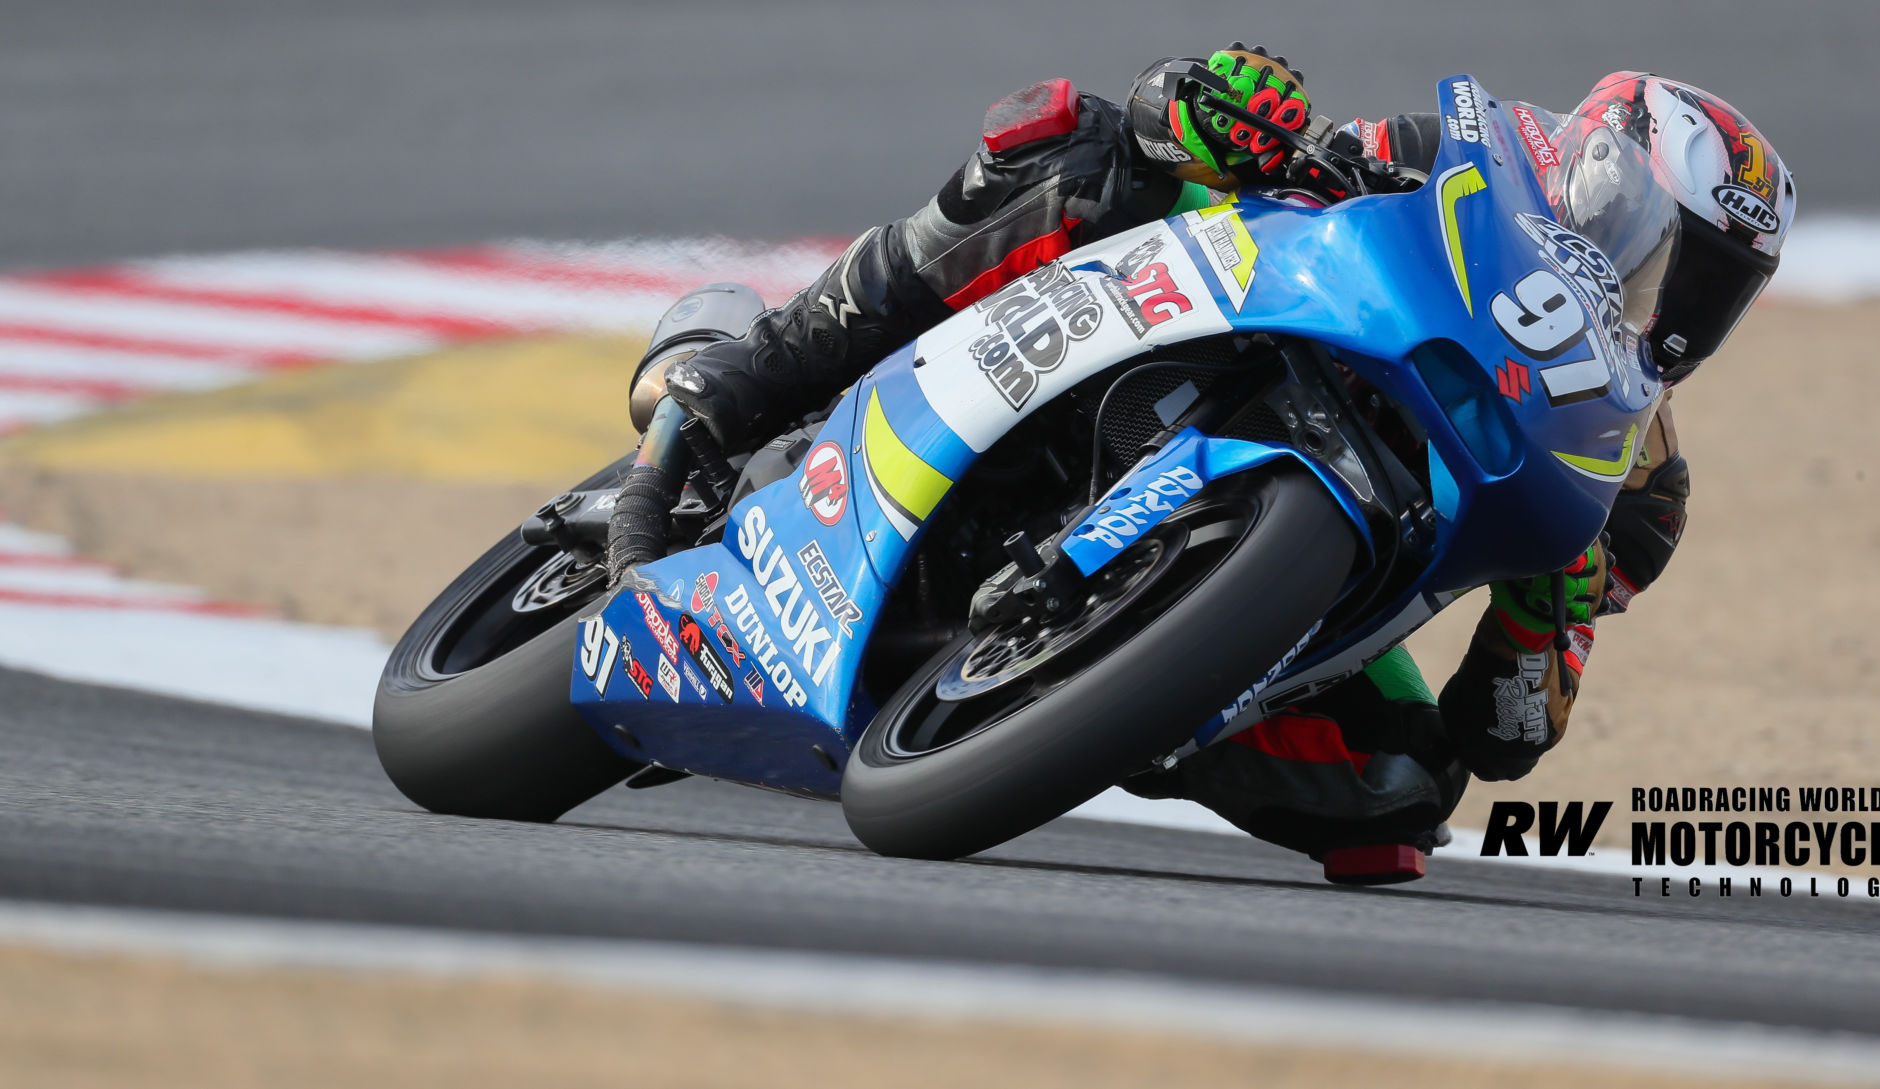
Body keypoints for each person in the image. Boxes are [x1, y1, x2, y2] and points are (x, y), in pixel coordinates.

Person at [648, 50, 1795, 880]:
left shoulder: (1634, 485)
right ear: (1599, 175)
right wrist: (1200, 106)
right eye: (1675, 255)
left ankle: (1097, 700)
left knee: (1402, 795)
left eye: (1713, 290)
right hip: (1194, 333)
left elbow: (1506, 734)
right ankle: (758, 369)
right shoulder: (1453, 168)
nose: (1679, 302)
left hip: (1310, 592)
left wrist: (1554, 616)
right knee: (1078, 144)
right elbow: (1237, 139)